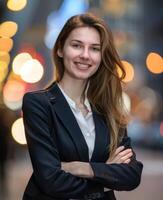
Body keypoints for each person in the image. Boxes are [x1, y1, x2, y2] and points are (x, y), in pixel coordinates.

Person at [22, 13, 143, 200]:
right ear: (61, 49)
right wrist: (106, 174)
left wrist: (81, 168)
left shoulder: (109, 108)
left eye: (94, 48)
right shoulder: (38, 104)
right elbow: (51, 180)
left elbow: (132, 175)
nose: (85, 55)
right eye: (76, 45)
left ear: (102, 56)